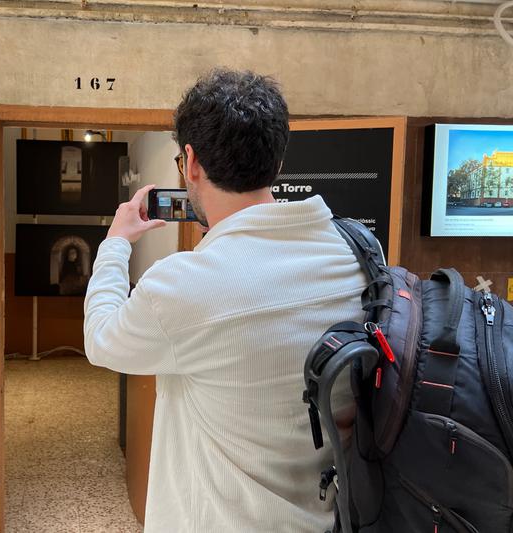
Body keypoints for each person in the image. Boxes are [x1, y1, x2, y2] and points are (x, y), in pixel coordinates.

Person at [83, 69, 366, 532]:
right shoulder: (354, 255)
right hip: (335, 518)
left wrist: (116, 243)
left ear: (190, 163)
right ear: (277, 164)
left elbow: (101, 340)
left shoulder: (184, 287)